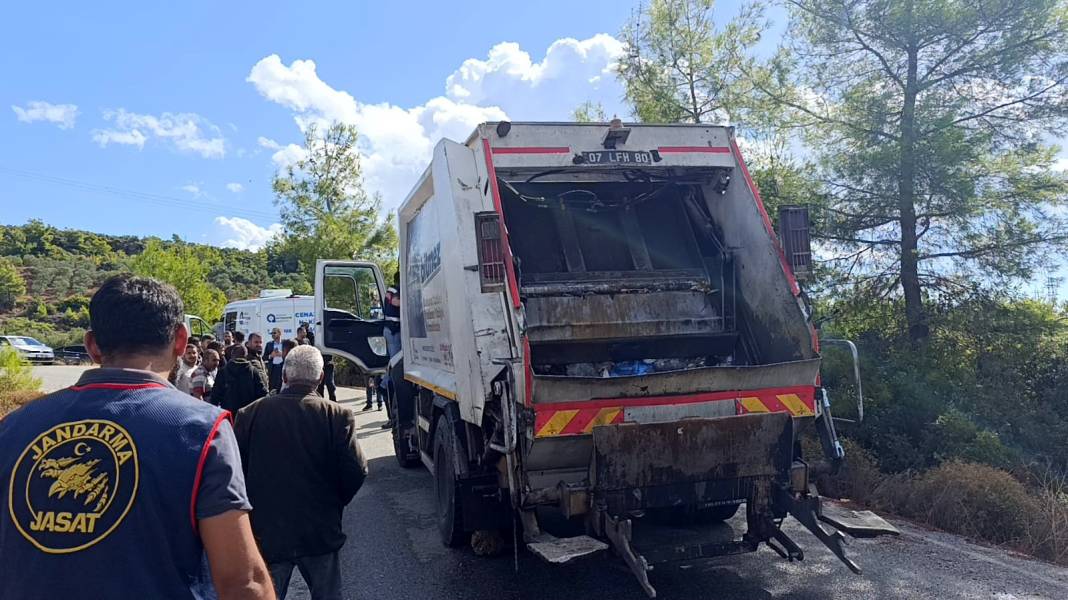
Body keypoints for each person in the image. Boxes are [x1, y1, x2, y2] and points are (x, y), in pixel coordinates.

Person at [0, 274, 274, 600]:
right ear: (181, 340)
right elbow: (242, 582)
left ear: (92, 345)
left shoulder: (13, 426)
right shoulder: (201, 429)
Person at [234, 346, 367, 600]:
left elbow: (235, 473)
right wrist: (334, 502)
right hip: (320, 530)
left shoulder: (249, 414)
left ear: (284, 375)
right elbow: (356, 470)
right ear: (321, 378)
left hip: (267, 532)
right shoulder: (337, 415)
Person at [211, 344, 269, 414]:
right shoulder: (253, 371)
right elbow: (262, 394)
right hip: (248, 414)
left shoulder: (223, 372)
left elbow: (215, 396)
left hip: (228, 415)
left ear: (232, 355)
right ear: (246, 356)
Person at [264, 328, 285, 393]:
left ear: (280, 333)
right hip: (273, 369)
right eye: (272, 333)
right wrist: (271, 355)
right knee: (272, 388)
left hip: (282, 368)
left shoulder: (285, 343)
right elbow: (264, 357)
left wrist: (282, 354)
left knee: (282, 387)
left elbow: (290, 355)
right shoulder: (269, 344)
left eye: (274, 333)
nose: (272, 335)